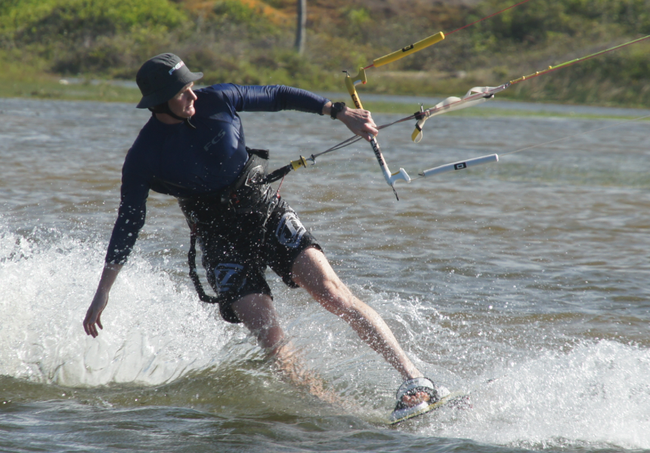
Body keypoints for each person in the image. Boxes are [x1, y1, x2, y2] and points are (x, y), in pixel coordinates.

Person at [83, 53, 444, 415]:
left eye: (191, 86)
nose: (193, 96)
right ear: (160, 102)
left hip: (267, 214)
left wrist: (339, 111)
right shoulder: (144, 156)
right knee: (271, 337)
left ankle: (415, 381)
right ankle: (341, 412)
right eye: (182, 93)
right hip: (220, 243)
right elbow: (128, 222)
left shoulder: (217, 100)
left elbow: (276, 95)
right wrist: (103, 291)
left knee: (332, 293)